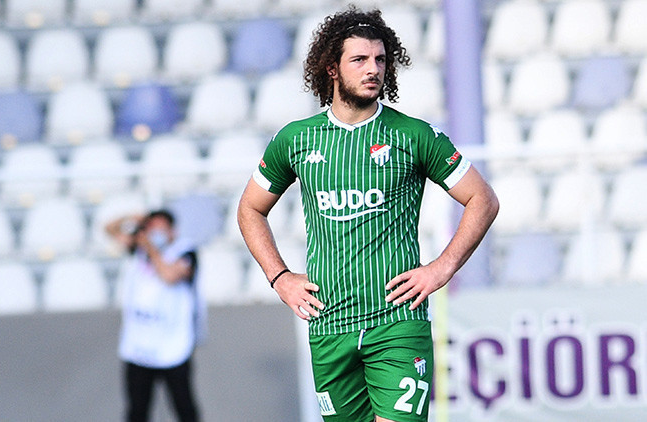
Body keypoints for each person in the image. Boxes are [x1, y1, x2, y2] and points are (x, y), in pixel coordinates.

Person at [237, 6, 499, 422]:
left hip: (397, 322)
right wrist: (280, 277)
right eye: (359, 59)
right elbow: (250, 208)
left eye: (379, 59)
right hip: (330, 325)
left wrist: (442, 268)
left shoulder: (414, 135)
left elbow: (482, 199)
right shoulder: (295, 140)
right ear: (332, 69)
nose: (373, 69)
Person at [106, 210, 201, 422]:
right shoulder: (138, 249)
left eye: (161, 229)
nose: (155, 233)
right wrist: (132, 218)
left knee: (185, 409)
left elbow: (169, 276)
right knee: (137, 411)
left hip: (173, 347)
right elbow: (108, 230)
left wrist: (150, 247)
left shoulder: (185, 252)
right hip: (139, 348)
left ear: (172, 231)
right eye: (152, 228)